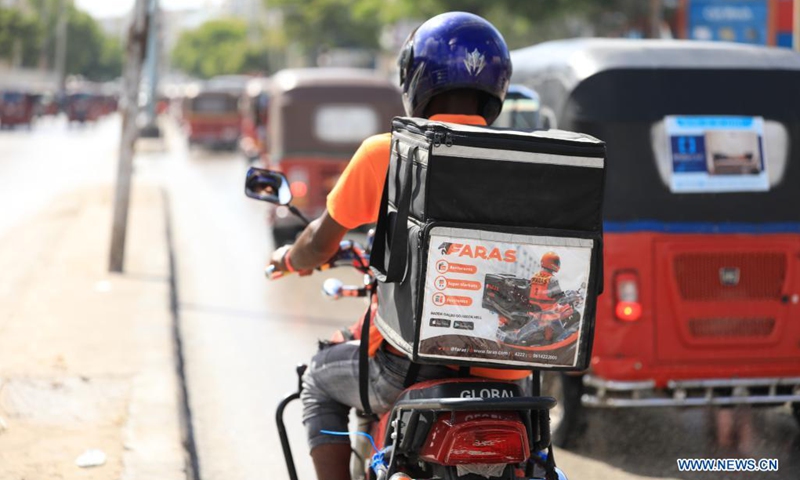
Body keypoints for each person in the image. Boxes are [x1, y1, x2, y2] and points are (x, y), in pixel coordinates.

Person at [268, 12, 530, 480]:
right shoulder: (526, 161)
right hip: (511, 377)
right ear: (497, 86)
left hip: (408, 369)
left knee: (317, 383)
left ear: (417, 80)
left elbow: (318, 241)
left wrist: (290, 258)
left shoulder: (387, 153)